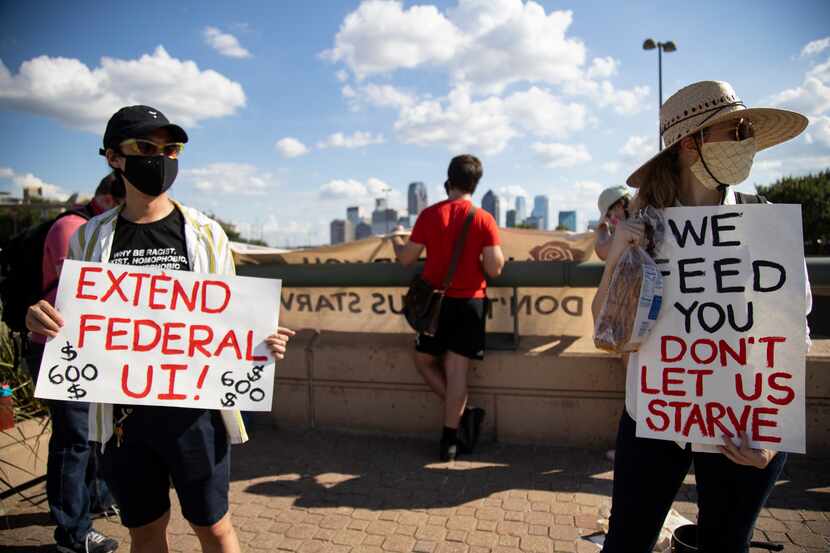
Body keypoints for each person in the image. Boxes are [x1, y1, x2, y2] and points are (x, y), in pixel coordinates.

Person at [25, 105, 295, 553]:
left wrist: (260, 341)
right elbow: (77, 322)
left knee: (214, 527)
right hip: (123, 419)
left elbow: (227, 319)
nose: (162, 158)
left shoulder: (207, 234)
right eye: (145, 148)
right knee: (145, 532)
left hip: (196, 416)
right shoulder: (88, 238)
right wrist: (44, 321)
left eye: (171, 148)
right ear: (113, 157)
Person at [593, 81, 811, 553]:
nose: (746, 142)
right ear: (691, 144)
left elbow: (793, 338)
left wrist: (772, 439)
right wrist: (618, 256)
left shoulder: (765, 221)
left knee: (725, 544)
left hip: (742, 426)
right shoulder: (647, 227)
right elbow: (606, 329)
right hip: (656, 412)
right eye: (735, 131)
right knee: (626, 543)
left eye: (748, 131)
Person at [22, 172, 126, 553]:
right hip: (58, 350)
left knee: (95, 431)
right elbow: (83, 296)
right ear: (111, 196)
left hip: (91, 350)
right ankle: (73, 533)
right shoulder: (72, 228)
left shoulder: (99, 227)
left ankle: (97, 498)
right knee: (74, 439)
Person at [392, 154, 504, 461]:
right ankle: (449, 443)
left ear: (448, 180)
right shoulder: (483, 218)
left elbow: (406, 259)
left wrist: (396, 241)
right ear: (476, 183)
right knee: (457, 373)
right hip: (469, 304)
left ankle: (466, 415)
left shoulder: (429, 215)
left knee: (424, 360)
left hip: (436, 307)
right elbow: (494, 268)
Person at [593, 185, 631, 261]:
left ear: (623, 203)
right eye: (608, 215)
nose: (612, 218)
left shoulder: (631, 227)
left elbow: (604, 254)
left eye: (616, 208)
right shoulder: (622, 228)